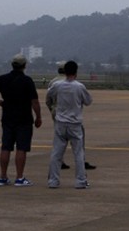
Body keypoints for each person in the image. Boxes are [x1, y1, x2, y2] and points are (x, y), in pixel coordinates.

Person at [0, 54, 42, 187]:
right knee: (21, 148)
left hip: (7, 118)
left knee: (6, 147)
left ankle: (3, 177)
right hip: (24, 119)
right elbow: (35, 101)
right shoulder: (27, 81)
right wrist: (38, 116)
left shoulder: (4, 79)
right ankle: (19, 177)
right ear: (24, 65)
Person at [46, 60, 93, 189]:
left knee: (56, 153)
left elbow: (49, 96)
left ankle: (53, 181)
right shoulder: (79, 86)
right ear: (76, 72)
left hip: (60, 122)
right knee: (78, 153)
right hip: (75, 123)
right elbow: (88, 101)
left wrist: (53, 108)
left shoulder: (57, 85)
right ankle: (80, 181)